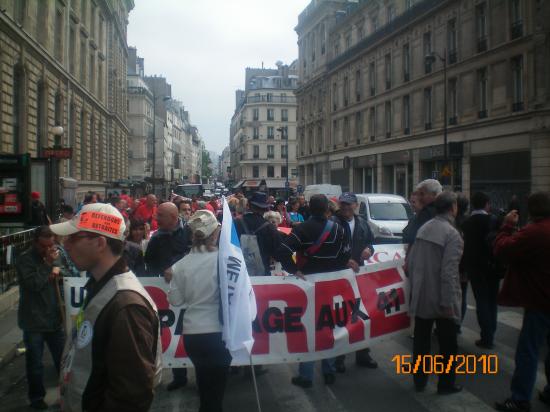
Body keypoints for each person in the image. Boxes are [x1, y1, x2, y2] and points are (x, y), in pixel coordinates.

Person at [50, 203, 162, 412]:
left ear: (100, 243)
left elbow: (132, 397)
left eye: (73, 237)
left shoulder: (126, 307)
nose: (66, 245)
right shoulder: (102, 286)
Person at [275, 194, 352, 388]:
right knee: (328, 328)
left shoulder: (301, 229)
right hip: (331, 286)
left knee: (308, 329)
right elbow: (346, 256)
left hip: (307, 286)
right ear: (327, 209)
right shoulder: (339, 229)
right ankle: (329, 371)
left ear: (309, 208)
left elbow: (282, 250)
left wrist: (295, 270)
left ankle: (306, 376)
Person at [168, 210, 231, 412]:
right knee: (217, 392)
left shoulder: (179, 266)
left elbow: (176, 300)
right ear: (215, 233)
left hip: (193, 335)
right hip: (220, 332)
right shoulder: (226, 260)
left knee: (204, 386)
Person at [494, 192, 550, 412]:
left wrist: (506, 226)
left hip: (540, 301)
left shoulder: (535, 232)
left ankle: (519, 400)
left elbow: (502, 249)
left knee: (528, 351)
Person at [407, 191, 464, 395]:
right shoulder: (452, 234)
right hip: (442, 298)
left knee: (421, 341)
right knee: (448, 345)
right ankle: (446, 384)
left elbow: (411, 262)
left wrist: (416, 288)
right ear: (452, 208)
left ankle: (419, 380)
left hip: (422, 295)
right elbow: (449, 272)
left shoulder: (424, 228)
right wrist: (449, 302)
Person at [16, 226, 65, 410]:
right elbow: (33, 284)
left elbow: (64, 275)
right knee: (35, 363)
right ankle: (36, 398)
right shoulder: (24, 259)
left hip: (53, 317)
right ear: (35, 242)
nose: (47, 250)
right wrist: (47, 266)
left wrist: (59, 271)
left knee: (62, 360)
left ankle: (65, 393)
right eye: (43, 246)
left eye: (50, 245)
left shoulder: (55, 254)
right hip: (33, 320)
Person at [144, 201, 192, 389]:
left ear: (173, 218)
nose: (156, 218)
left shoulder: (188, 232)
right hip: (166, 293)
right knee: (172, 332)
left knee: (189, 332)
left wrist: (176, 267)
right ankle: (179, 376)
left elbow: (194, 254)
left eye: (160, 215)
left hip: (190, 292)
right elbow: (150, 263)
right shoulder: (156, 238)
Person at [333, 193, 377, 371]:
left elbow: (371, 243)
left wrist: (369, 249)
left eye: (349, 204)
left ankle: (363, 354)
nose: (345, 207)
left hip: (359, 276)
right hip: (339, 277)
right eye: (343, 204)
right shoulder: (333, 223)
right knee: (341, 317)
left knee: (362, 315)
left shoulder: (363, 223)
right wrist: (344, 261)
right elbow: (329, 248)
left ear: (356, 205)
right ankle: (338, 357)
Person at [462, 192, 500, 348]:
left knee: (482, 301)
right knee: (492, 300)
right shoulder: (493, 220)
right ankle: (491, 332)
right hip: (493, 266)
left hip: (475, 268)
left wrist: (464, 268)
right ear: (487, 204)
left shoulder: (467, 223)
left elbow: (465, 247)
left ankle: (487, 336)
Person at [235, 192, 281, 277]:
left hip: (240, 275)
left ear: (248, 205)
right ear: (265, 208)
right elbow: (278, 255)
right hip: (262, 275)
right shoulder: (270, 228)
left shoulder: (235, 223)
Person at [402, 179, 442, 246]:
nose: (420, 197)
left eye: (422, 194)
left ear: (434, 195)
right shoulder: (442, 210)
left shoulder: (427, 213)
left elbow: (412, 237)